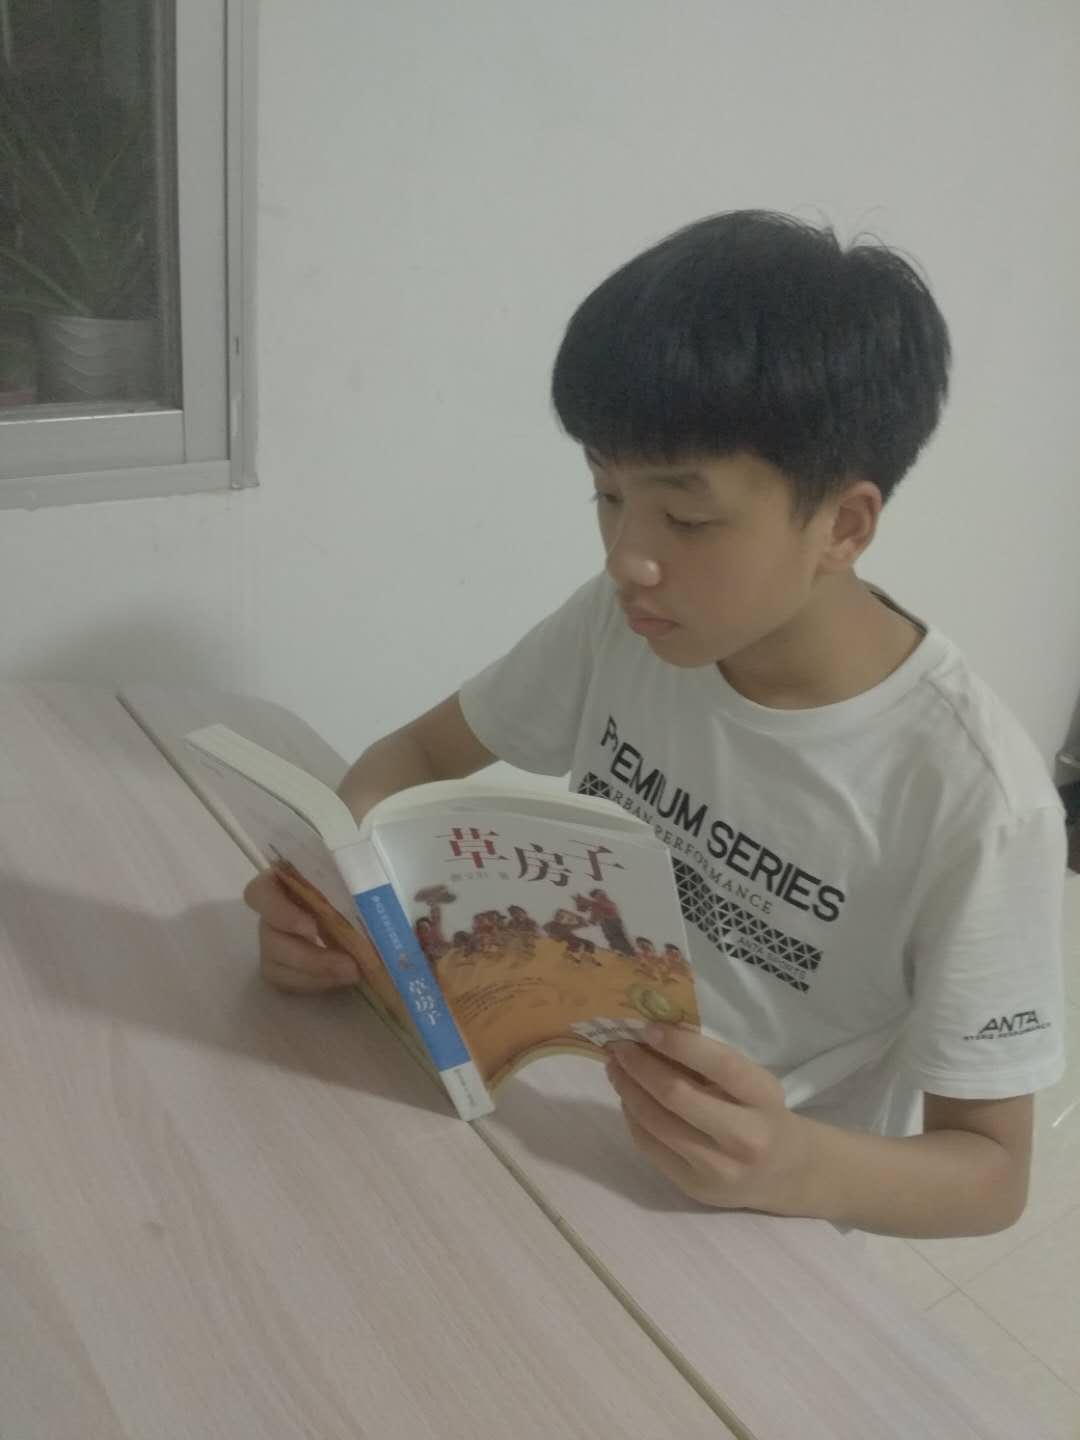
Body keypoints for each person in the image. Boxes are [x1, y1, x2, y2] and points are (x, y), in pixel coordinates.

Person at [244, 210, 1066, 1240]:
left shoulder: (975, 799)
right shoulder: (623, 627)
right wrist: (335, 905)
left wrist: (792, 1162)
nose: (627, 557)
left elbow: (991, 1174)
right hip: (551, 1123)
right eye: (606, 493)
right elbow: (417, 753)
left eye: (686, 518)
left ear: (844, 525)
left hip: (748, 1220)